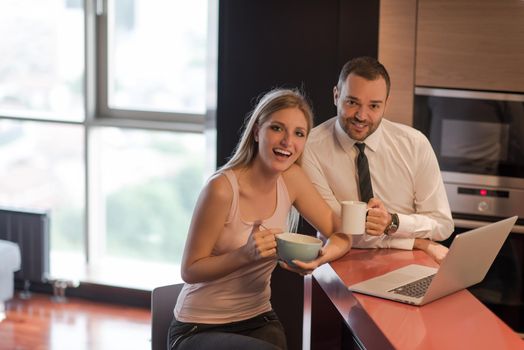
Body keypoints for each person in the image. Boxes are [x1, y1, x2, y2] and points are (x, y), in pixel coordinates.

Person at [168, 88, 351, 350]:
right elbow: (190, 269)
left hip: (258, 317)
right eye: (277, 128)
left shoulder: (292, 179)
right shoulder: (221, 189)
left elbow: (340, 232)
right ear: (257, 131)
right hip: (198, 326)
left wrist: (321, 258)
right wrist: (245, 254)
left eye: (299, 133)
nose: (288, 141)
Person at [302, 56, 453, 263]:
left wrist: (393, 222)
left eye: (374, 106)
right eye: (352, 102)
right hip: (337, 262)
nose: (362, 116)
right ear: (336, 95)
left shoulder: (415, 144)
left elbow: (443, 225)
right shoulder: (309, 148)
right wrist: (417, 241)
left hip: (409, 264)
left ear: (386, 104)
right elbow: (340, 229)